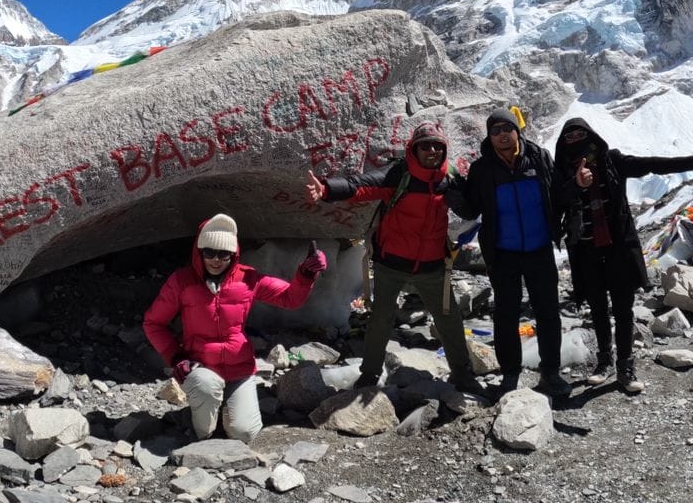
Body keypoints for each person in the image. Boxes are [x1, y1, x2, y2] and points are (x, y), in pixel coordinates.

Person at [305, 121, 482, 394]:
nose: (432, 150)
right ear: (414, 149)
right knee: (380, 320)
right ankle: (369, 374)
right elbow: (361, 186)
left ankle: (463, 375)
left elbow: (471, 210)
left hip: (432, 265)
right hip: (391, 263)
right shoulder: (399, 174)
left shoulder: (450, 179)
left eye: (438, 146)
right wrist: (328, 190)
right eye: (425, 146)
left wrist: (462, 200)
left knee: (448, 319)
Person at [553, 117, 693, 394]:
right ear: (563, 144)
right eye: (570, 137)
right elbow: (556, 203)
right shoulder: (562, 174)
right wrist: (577, 185)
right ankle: (604, 363)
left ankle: (625, 366)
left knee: (623, 310)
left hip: (619, 250)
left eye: (581, 134)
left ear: (591, 136)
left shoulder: (613, 161)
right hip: (586, 253)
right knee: (599, 310)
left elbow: (650, 164)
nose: (576, 140)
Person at [143, 214, 327, 441]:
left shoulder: (248, 279)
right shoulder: (182, 282)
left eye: (224, 254)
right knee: (205, 391)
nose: (216, 260)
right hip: (200, 367)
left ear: (234, 254)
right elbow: (153, 323)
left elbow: (290, 298)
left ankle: (223, 406)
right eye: (209, 252)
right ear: (199, 251)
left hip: (239, 369)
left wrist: (306, 274)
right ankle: (203, 432)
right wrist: (176, 357)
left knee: (245, 433)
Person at [453, 109, 571, 398]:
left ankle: (551, 373)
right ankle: (510, 375)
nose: (502, 134)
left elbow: (557, 193)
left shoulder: (539, 157)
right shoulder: (482, 170)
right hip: (503, 253)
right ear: (489, 137)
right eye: (495, 131)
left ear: (518, 130)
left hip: (539, 248)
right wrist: (450, 186)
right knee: (505, 315)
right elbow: (470, 208)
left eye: (507, 128)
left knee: (547, 313)